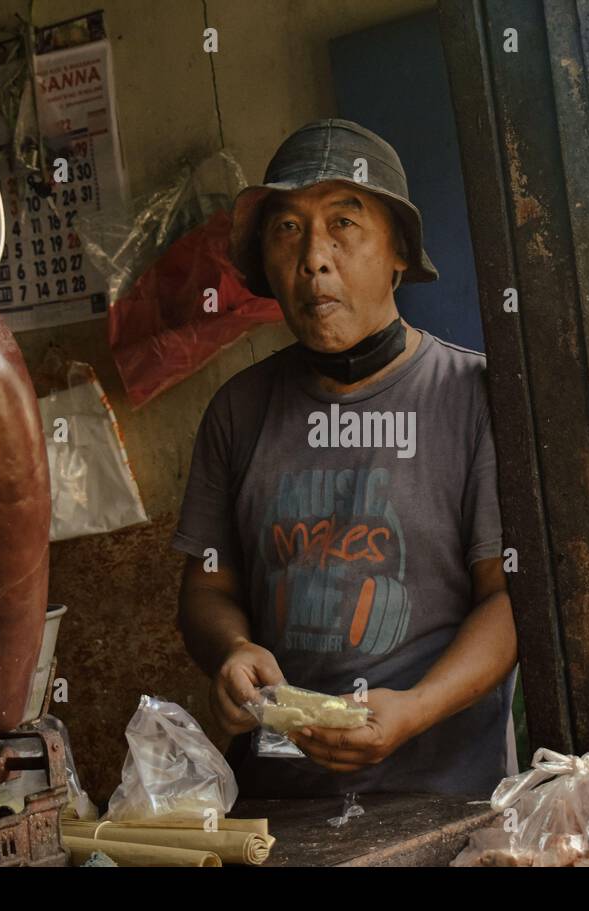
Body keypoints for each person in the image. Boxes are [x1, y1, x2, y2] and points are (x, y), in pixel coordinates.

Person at [172, 118, 517, 797]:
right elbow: (207, 589)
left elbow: (507, 600)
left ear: (397, 251)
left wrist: (415, 709)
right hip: (277, 811)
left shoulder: (471, 398)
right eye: (288, 229)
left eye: (344, 225)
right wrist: (232, 651)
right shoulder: (237, 413)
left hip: (441, 799)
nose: (314, 259)